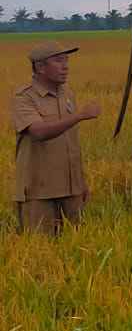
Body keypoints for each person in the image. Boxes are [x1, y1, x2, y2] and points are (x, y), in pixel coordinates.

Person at [10, 42, 98, 235]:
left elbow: (72, 144)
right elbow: (39, 132)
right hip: (39, 192)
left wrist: (81, 182)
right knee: (40, 248)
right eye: (58, 61)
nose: (65, 66)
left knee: (76, 245)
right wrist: (79, 116)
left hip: (71, 190)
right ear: (40, 67)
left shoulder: (67, 94)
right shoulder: (24, 98)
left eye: (66, 61)